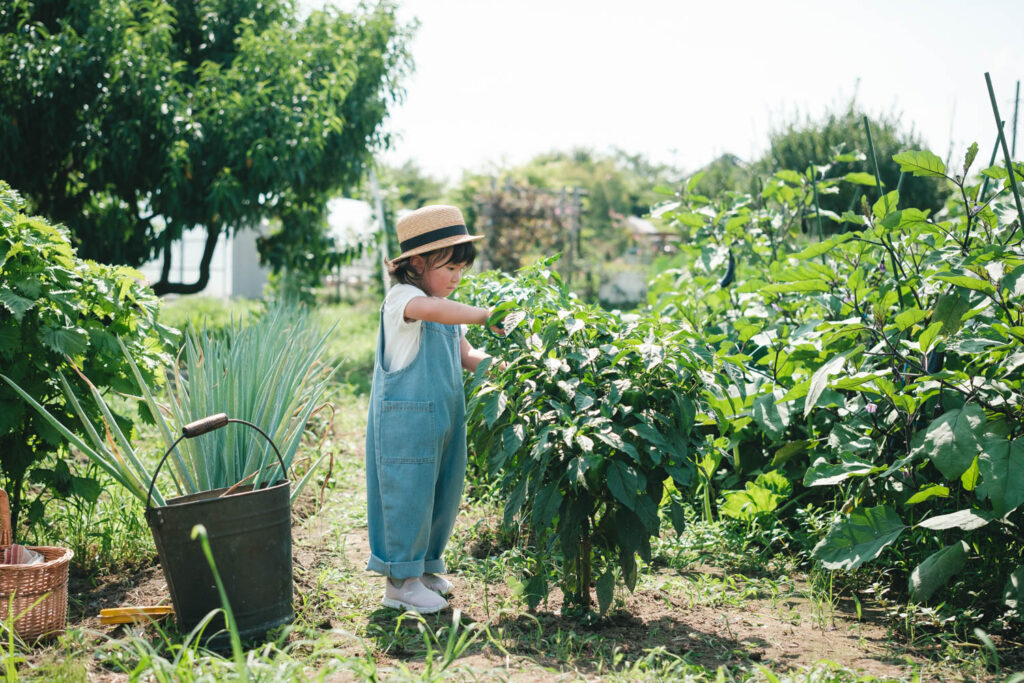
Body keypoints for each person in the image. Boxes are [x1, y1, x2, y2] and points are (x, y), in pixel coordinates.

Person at [365, 204, 504, 613]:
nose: (457, 279)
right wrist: (486, 315)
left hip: (443, 419)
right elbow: (432, 312)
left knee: (441, 493)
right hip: (405, 423)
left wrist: (505, 369)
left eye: (462, 270)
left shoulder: (447, 307)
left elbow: (465, 354)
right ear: (419, 262)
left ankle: (423, 568)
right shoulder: (403, 299)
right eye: (450, 269)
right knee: (407, 495)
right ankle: (399, 583)